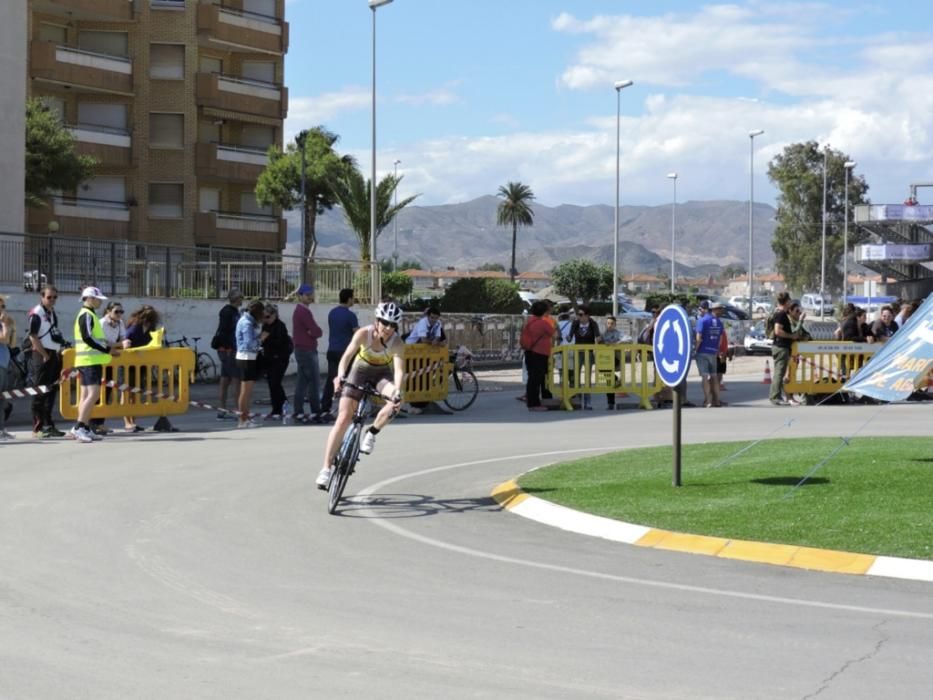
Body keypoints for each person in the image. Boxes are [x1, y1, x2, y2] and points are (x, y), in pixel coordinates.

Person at [316, 301, 405, 488]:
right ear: (377, 321)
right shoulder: (363, 334)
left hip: (382, 375)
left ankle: (372, 432)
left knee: (398, 401)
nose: (388, 328)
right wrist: (340, 376)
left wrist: (397, 390)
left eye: (393, 325)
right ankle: (325, 468)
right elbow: (346, 357)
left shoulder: (397, 343)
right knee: (343, 418)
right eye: (385, 323)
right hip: (360, 371)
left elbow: (398, 371)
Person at [70, 287, 121, 443]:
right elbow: (88, 338)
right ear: (90, 298)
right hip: (89, 361)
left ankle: (83, 427)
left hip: (88, 361)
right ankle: (79, 427)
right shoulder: (87, 315)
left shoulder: (89, 314)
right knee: (93, 394)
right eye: (98, 299)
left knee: (86, 395)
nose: (100, 302)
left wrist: (106, 349)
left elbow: (93, 338)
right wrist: (107, 350)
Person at [27, 285, 67, 438]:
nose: (52, 300)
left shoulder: (51, 313)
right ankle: (38, 427)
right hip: (41, 354)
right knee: (40, 390)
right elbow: (33, 336)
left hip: (53, 354)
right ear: (42, 297)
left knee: (51, 390)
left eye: (55, 297)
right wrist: (44, 354)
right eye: (49, 297)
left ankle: (48, 424)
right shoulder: (36, 313)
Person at [90, 301, 129, 434]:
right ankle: (92, 423)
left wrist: (125, 341)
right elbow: (102, 342)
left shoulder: (120, 323)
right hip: (99, 359)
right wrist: (120, 344)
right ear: (108, 311)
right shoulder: (101, 323)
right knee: (96, 392)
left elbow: (124, 337)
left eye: (121, 312)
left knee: (107, 391)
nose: (119, 314)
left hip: (110, 361)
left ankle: (100, 423)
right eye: (116, 312)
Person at [320, 288, 359, 417]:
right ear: (348, 299)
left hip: (332, 350)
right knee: (350, 381)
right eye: (353, 297)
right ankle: (348, 408)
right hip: (345, 353)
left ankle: (325, 407)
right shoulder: (351, 315)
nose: (354, 300)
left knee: (332, 380)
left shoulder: (332, 313)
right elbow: (357, 333)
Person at [124, 305, 161, 432]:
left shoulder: (151, 328)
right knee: (127, 391)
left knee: (136, 392)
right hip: (128, 363)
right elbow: (125, 340)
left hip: (142, 363)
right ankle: (127, 421)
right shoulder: (135, 326)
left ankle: (134, 421)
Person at [292, 283, 324, 423]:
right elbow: (316, 331)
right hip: (307, 350)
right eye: (307, 295)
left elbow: (315, 331)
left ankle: (298, 412)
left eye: (311, 294)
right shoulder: (303, 312)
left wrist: (314, 332)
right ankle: (316, 412)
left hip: (302, 349)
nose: (310, 297)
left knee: (302, 382)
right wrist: (314, 332)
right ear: (300, 296)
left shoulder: (301, 311)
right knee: (313, 382)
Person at [235, 300, 267, 429]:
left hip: (247, 357)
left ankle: (245, 418)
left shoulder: (246, 321)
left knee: (247, 391)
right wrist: (261, 339)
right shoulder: (247, 323)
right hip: (246, 357)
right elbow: (249, 343)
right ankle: (242, 420)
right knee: (245, 391)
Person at [213, 289, 243, 420]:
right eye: (241, 297)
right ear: (237, 299)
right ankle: (238, 410)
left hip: (224, 350)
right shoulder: (230, 312)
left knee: (225, 380)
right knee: (236, 380)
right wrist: (230, 347)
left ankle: (222, 410)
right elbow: (227, 331)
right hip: (230, 350)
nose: (242, 299)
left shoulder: (229, 311)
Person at [770, 296, 804, 406]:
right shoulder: (781, 314)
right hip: (781, 346)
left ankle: (777, 396)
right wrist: (791, 336)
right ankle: (775, 397)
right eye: (789, 301)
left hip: (782, 347)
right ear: (787, 302)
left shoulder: (780, 313)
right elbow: (777, 331)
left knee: (780, 373)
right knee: (779, 373)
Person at [521, 300, 554, 412]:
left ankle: (532, 402)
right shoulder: (543, 323)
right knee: (537, 379)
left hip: (529, 352)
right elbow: (552, 332)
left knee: (532, 379)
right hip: (539, 353)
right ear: (544, 311)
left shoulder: (529, 321)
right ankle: (534, 404)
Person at [566, 304, 601, 409]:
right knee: (576, 376)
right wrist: (566, 336)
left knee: (587, 377)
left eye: (581, 315)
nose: (579, 317)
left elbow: (597, 336)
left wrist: (599, 340)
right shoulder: (575, 323)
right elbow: (570, 337)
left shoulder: (593, 324)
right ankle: (577, 399)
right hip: (578, 352)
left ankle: (587, 400)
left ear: (587, 315)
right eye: (578, 314)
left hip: (589, 353)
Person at [261, 303, 293, 420]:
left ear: (274, 315)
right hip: (269, 358)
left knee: (275, 382)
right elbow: (262, 342)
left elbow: (279, 343)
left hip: (280, 358)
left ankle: (279, 408)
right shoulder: (265, 326)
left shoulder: (280, 326)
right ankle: (278, 407)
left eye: (268, 317)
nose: (266, 319)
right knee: (272, 384)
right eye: (264, 317)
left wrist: (267, 338)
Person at [695, 301, 726, 407]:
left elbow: (699, 338)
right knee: (714, 377)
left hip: (702, 351)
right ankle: (716, 401)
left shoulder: (702, 321)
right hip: (713, 352)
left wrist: (696, 349)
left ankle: (708, 401)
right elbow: (721, 339)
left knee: (704, 377)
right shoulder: (719, 322)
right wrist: (716, 349)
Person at [598, 315, 625, 410]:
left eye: (612, 323)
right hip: (604, 359)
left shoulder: (618, 333)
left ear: (615, 324)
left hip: (614, 358)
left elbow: (628, 339)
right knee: (608, 380)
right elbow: (597, 341)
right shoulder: (603, 333)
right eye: (608, 323)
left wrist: (616, 344)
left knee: (609, 379)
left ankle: (610, 403)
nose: (610, 325)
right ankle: (616, 379)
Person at [0, 295, 14, 440]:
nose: (3, 310)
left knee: (2, 399)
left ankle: (1, 429)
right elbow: (3, 338)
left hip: (3, 364)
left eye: (3, 306)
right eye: (1, 306)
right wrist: (4, 325)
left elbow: (8, 340)